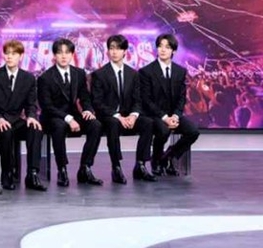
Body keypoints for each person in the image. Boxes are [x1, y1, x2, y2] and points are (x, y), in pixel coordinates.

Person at [0, 40, 46, 191]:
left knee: (35, 130)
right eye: (7, 53)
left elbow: (31, 103)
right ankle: (7, 173)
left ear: (21, 56)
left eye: (14, 53)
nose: (9, 57)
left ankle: (32, 174)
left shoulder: (28, 78)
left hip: (16, 120)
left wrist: (31, 116)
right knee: (6, 131)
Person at [37, 38, 103, 187]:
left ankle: (85, 167)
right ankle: (62, 169)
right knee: (59, 127)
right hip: (53, 116)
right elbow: (46, 106)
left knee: (96, 125)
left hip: (73, 114)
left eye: (67, 52)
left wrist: (88, 110)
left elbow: (85, 97)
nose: (63, 56)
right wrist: (68, 118)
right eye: (60, 53)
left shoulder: (78, 73)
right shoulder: (45, 78)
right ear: (54, 55)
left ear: (72, 54)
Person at [91, 35, 155, 183]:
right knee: (113, 124)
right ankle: (116, 166)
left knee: (148, 123)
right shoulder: (99, 74)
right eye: (111, 48)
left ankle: (140, 164)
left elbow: (138, 100)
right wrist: (118, 116)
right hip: (109, 116)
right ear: (107, 51)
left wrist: (133, 116)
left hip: (128, 115)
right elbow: (97, 102)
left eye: (118, 48)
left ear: (125, 51)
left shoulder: (133, 74)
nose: (114, 52)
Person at [139, 33, 200, 176]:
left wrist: (176, 116)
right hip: (154, 115)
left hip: (174, 115)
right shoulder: (146, 71)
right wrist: (165, 117)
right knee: (163, 130)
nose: (163, 50)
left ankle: (169, 156)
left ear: (173, 50)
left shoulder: (180, 71)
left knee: (193, 131)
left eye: (167, 47)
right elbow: (146, 100)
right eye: (160, 46)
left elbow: (182, 98)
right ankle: (156, 160)